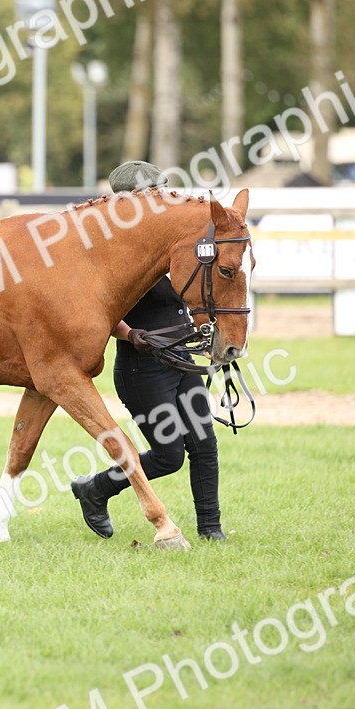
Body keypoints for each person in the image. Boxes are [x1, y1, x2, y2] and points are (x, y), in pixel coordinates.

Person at [69, 161, 226, 541]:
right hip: (142, 367)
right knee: (168, 456)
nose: (163, 198)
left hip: (180, 357)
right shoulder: (111, 250)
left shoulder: (171, 241)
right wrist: (130, 334)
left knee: (205, 445)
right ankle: (95, 489)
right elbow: (95, 311)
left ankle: (211, 530)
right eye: (155, 193)